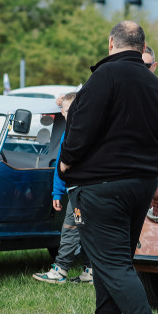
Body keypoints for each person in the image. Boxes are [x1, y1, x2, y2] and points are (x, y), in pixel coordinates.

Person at [58, 21, 158, 314]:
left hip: (101, 185)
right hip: (140, 185)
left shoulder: (102, 79)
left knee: (111, 263)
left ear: (111, 43)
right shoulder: (156, 87)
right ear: (142, 47)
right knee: (112, 262)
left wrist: (66, 163)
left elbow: (80, 128)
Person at [32, 91, 93, 284]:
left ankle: (60, 270)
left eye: (65, 110)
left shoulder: (76, 133)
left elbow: (62, 164)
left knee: (70, 228)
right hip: (82, 190)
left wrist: (59, 191)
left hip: (80, 191)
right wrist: (57, 192)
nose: (63, 113)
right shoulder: (77, 130)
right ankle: (91, 271)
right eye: (62, 109)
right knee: (89, 230)